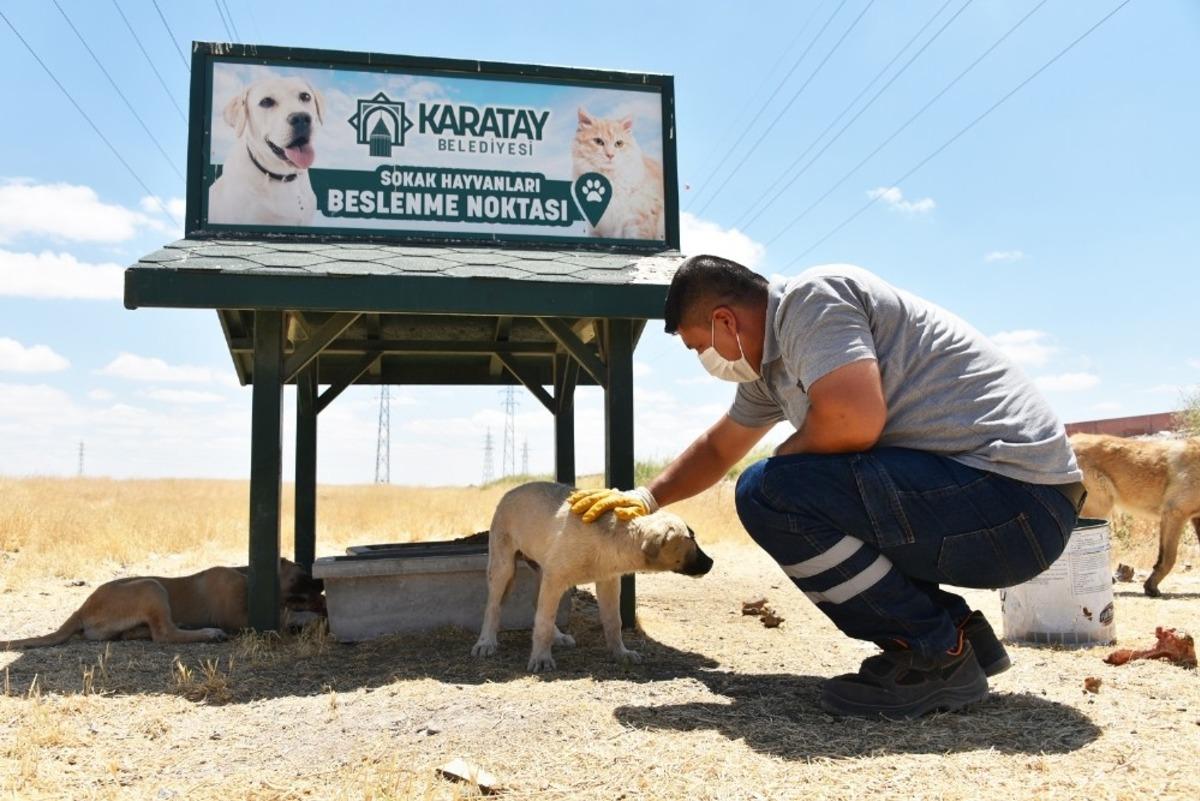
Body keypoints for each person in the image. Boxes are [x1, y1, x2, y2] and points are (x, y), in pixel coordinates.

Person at [568, 255, 1085, 719]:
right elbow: (718, 448)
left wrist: (784, 462)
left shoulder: (810, 302)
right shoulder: (770, 369)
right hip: (1005, 502)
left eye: (700, 346)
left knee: (770, 491)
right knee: (781, 485)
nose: (706, 359)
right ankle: (959, 635)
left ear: (725, 320)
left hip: (1013, 499)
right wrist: (647, 498)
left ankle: (934, 654)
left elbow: (851, 421)